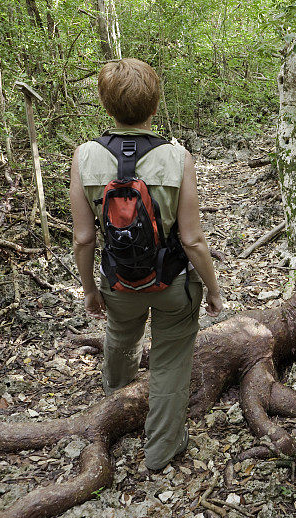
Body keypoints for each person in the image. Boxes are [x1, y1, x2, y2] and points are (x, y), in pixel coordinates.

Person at [69, 58, 223, 472]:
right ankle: (161, 450)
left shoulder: (84, 157)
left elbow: (84, 238)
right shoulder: (177, 158)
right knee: (171, 362)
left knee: (120, 337)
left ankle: (115, 410)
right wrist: (212, 289)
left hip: (118, 283)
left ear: (106, 106)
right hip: (173, 285)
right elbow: (192, 239)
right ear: (154, 105)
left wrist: (89, 290)